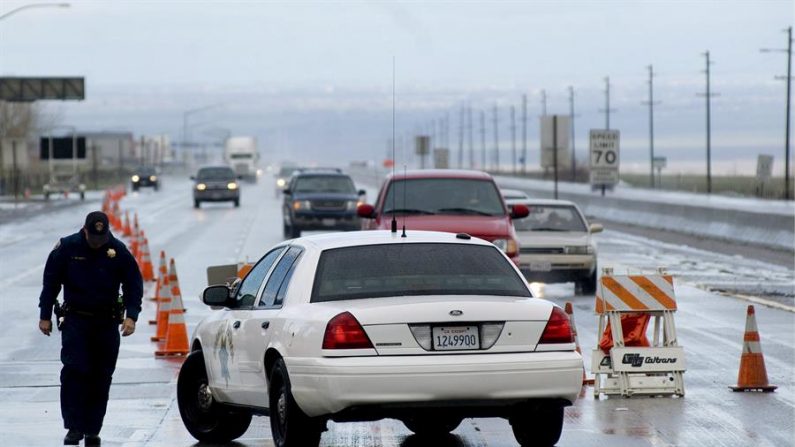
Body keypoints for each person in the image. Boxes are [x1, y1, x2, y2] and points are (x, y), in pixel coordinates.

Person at [38, 211, 143, 446]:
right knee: (75, 372)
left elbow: (133, 284)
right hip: (77, 320)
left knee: (101, 376)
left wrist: (132, 316)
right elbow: (51, 282)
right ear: (85, 230)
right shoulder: (67, 247)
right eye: (94, 238)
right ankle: (74, 426)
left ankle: (93, 429)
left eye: (102, 238)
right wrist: (45, 315)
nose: (98, 243)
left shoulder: (117, 250)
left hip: (106, 323)